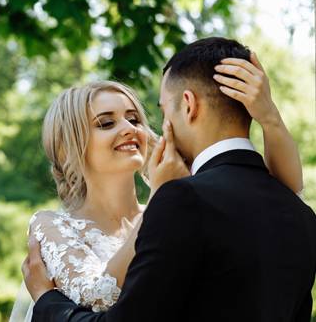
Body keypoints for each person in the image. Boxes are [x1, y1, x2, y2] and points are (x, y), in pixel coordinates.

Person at [21, 37, 315, 322]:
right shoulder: (54, 226)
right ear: (68, 146)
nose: (129, 128)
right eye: (106, 123)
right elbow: (96, 294)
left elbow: (281, 189)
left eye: (134, 119)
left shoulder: (179, 202)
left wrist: (46, 299)